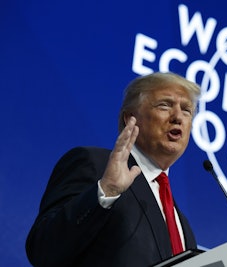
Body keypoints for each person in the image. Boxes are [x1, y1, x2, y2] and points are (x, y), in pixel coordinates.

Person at [26, 72, 201, 267]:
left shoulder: (183, 226)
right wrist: (106, 191)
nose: (178, 117)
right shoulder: (94, 164)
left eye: (187, 110)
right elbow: (43, 249)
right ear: (130, 118)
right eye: (164, 105)